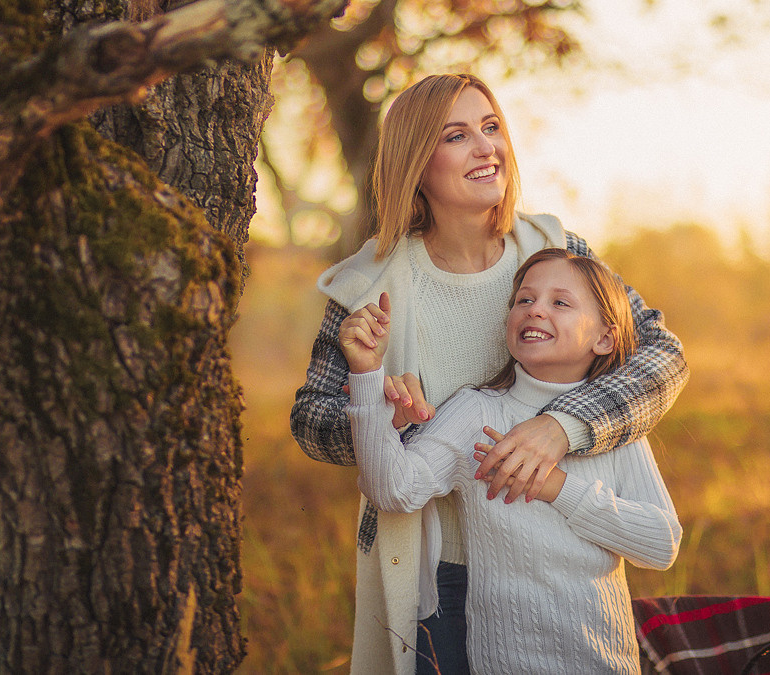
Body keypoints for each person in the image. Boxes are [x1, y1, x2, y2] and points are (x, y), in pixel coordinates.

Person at [289, 73, 688, 675]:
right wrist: (381, 416)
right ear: (416, 164)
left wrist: (565, 426)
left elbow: (660, 352)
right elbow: (310, 419)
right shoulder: (368, 285)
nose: (486, 147)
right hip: (433, 569)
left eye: (492, 127)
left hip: (557, 558)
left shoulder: (555, 249)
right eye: (457, 135)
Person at [340, 248, 682, 674]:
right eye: (524, 299)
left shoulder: (615, 427)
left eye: (560, 302)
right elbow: (394, 490)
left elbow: (661, 542)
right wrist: (368, 376)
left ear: (605, 338)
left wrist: (558, 488)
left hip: (603, 662)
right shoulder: (478, 413)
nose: (535, 310)